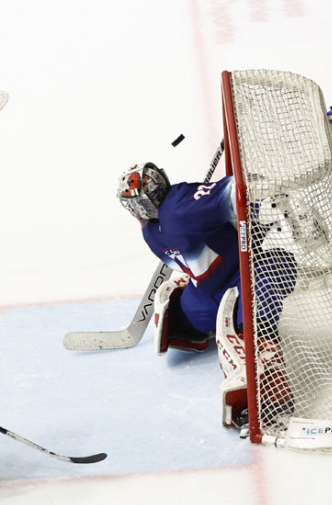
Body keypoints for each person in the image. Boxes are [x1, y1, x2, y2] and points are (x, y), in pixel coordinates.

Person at [116, 162, 298, 429]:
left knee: (265, 280)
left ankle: (197, 330)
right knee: (275, 270)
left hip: (217, 293)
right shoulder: (173, 212)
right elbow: (234, 195)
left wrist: (260, 215)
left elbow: (235, 196)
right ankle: (257, 355)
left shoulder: (158, 226)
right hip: (228, 288)